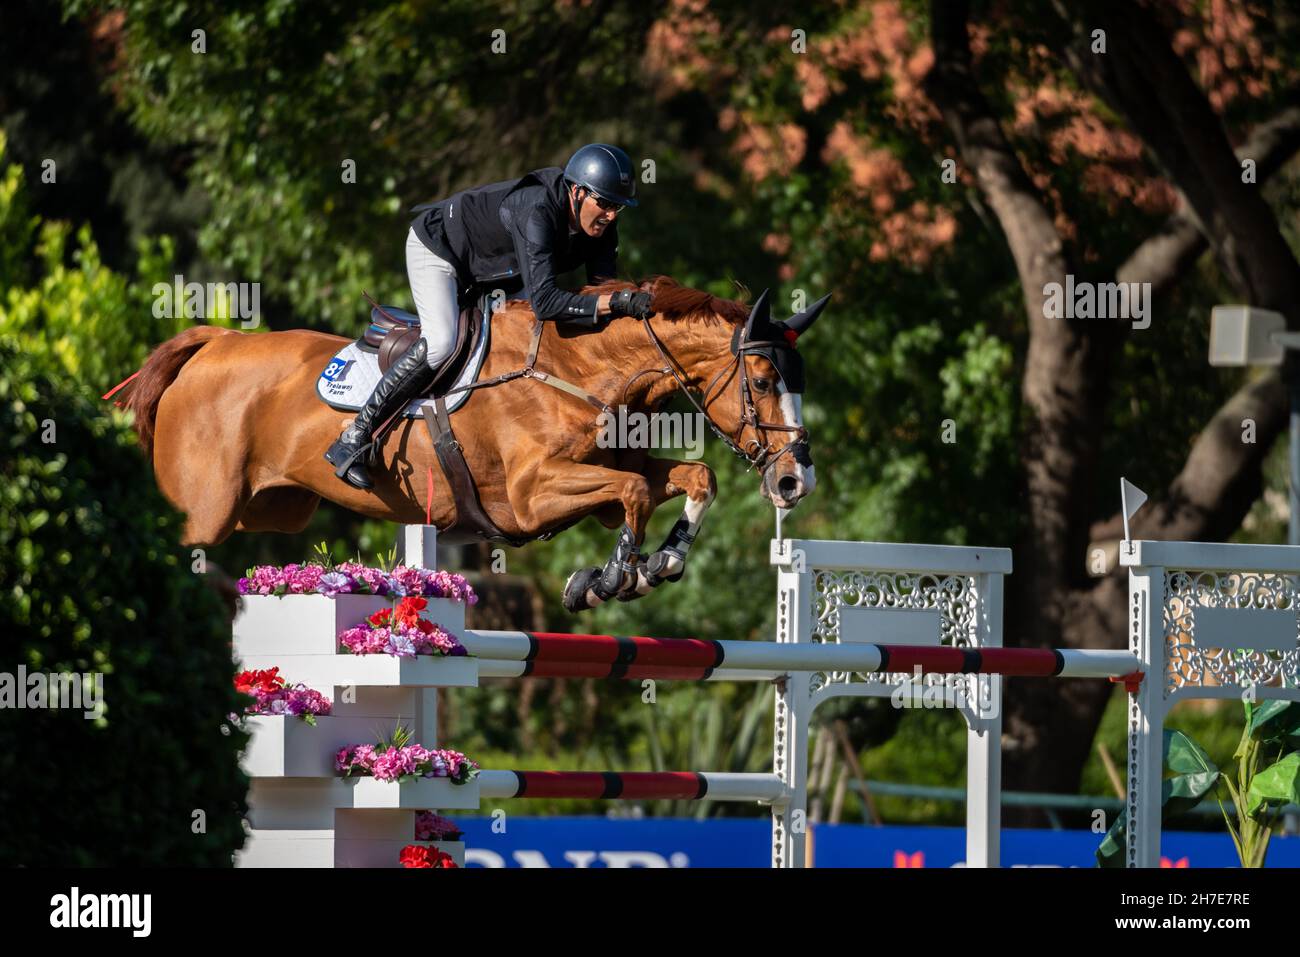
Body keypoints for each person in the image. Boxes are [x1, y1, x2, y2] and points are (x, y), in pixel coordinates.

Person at [325, 143, 656, 490]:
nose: (611, 215)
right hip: (441, 250)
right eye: (604, 203)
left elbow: (600, 293)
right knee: (441, 343)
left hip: (497, 274)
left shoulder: (602, 229)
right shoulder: (538, 209)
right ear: (576, 191)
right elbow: (547, 302)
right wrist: (615, 303)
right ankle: (355, 437)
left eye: (618, 207)